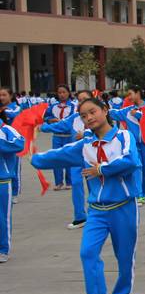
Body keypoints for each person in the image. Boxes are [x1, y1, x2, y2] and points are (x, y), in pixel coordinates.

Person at [31, 97, 141, 294]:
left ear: (105, 110)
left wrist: (100, 169)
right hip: (97, 211)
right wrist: (34, 158)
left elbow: (130, 162)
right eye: (83, 116)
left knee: (124, 256)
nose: (89, 118)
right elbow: (58, 154)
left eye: (92, 112)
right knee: (87, 253)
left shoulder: (123, 136)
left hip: (123, 207)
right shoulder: (84, 145)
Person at [40, 89, 93, 229]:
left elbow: (107, 131)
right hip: (76, 157)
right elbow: (58, 126)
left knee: (94, 185)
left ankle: (96, 215)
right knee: (76, 183)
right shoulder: (74, 118)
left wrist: (87, 133)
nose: (82, 102)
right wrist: (41, 127)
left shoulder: (99, 116)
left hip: (93, 157)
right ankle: (80, 217)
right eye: (80, 100)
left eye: (85, 99)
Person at [109, 87, 145, 206]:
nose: (129, 97)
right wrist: (101, 108)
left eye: (131, 94)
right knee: (136, 167)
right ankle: (138, 194)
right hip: (133, 145)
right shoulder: (127, 111)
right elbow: (114, 114)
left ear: (138, 93)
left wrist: (139, 115)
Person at [0, 120, 26, 263]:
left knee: (2, 217)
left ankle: (3, 249)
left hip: (2, 181)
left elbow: (19, 143)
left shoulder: (6, 129)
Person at [44, 84, 76, 190]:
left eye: (64, 92)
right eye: (59, 92)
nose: (62, 95)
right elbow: (46, 117)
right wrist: (51, 120)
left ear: (68, 93)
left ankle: (69, 182)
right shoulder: (53, 106)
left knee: (68, 158)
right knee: (56, 158)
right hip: (57, 136)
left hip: (69, 136)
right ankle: (58, 182)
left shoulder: (73, 106)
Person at [0, 87, 22, 203]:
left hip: (12, 142)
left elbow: (14, 114)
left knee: (14, 168)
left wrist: (3, 110)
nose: (2, 97)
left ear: (11, 96)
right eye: (0, 95)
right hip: (2, 142)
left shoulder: (16, 107)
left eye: (4, 95)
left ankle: (14, 193)